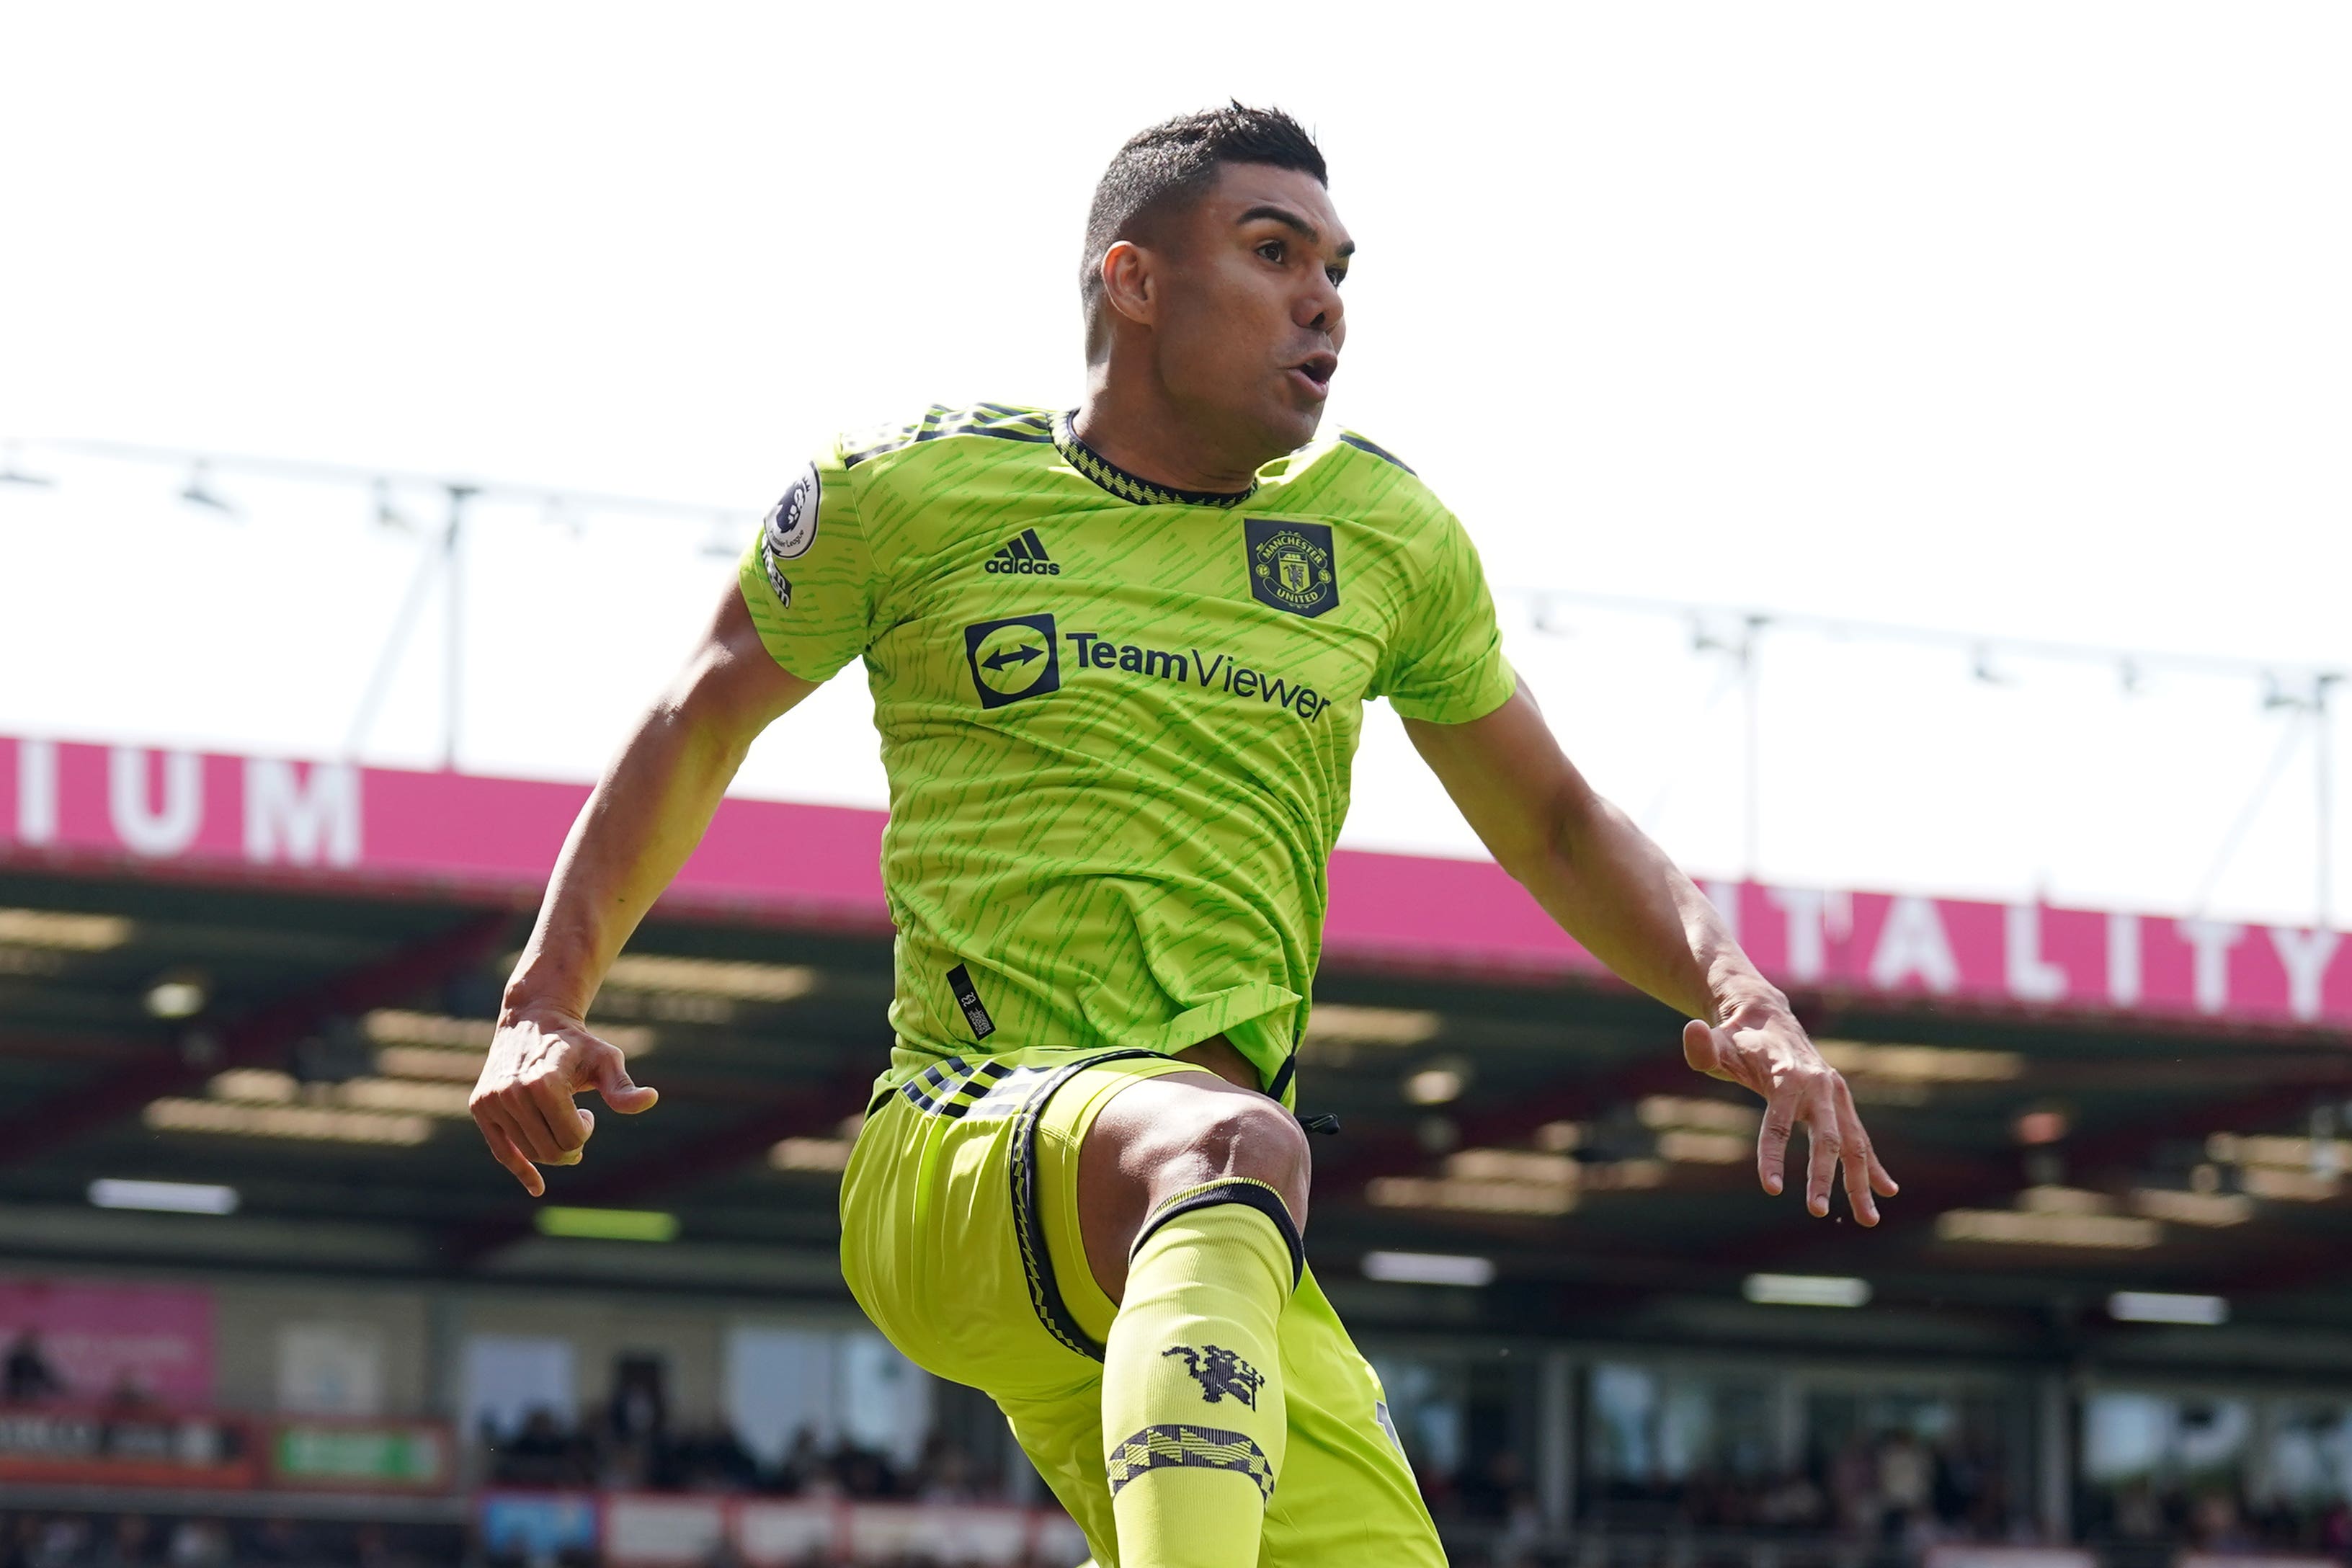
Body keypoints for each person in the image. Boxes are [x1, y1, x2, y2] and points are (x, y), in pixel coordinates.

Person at [468, 103, 1896, 1568]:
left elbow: (1555, 815)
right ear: (1132, 280)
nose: (1324, 298)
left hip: (1211, 1231)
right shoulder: (912, 492)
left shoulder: (1385, 542)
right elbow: (698, 716)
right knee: (1224, 1141)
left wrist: (1743, 995)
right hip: (959, 1141)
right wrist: (541, 1003)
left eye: (1340, 268)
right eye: (1274, 252)